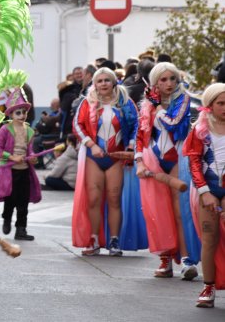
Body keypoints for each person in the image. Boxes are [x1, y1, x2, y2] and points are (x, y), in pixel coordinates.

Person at [135, 62, 201, 279]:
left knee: (180, 211)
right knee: (156, 212)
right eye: (163, 80)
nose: (169, 83)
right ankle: (165, 259)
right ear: (155, 82)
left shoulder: (183, 99)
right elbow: (140, 135)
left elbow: (174, 122)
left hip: (177, 157)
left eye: (172, 78)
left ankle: (187, 260)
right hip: (153, 157)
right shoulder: (146, 105)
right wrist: (139, 161)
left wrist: (158, 109)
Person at [72, 67, 141, 256]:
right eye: (99, 81)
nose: (103, 84)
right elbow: (77, 125)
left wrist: (131, 146)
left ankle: (114, 240)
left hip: (116, 158)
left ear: (114, 82)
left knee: (114, 198)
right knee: (93, 199)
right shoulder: (88, 103)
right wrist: (91, 145)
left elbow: (137, 124)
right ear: (95, 84)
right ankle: (94, 238)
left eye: (107, 80)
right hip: (94, 158)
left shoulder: (126, 103)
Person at [183, 83, 225, 308]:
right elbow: (193, 161)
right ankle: (208, 287)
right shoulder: (200, 129)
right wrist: (205, 192)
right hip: (206, 189)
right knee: (209, 238)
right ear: (209, 105)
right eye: (221, 103)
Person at [0, 80, 42, 240]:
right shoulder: (5, 129)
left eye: (24, 112)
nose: (22, 115)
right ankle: (6, 218)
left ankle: (21, 230)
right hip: (9, 171)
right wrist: (11, 157)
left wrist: (32, 157)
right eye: (18, 112)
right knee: (10, 199)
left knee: (23, 201)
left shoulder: (30, 131)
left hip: (24, 171)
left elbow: (30, 150)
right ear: (11, 114)